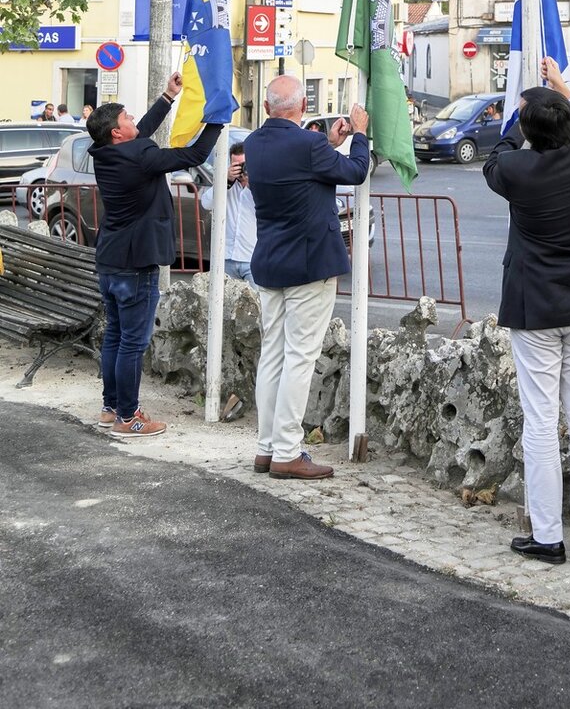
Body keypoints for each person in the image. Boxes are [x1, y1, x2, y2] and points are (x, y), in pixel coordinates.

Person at [483, 56, 570, 565]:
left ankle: (547, 537)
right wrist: (562, 88)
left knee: (541, 421)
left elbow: (495, 157)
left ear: (528, 132)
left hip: (536, 307)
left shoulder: (516, 170)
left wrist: (515, 114)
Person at [245, 74, 370, 480]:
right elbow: (356, 171)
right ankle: (287, 451)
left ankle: (267, 448)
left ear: (267, 108)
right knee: (299, 358)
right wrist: (359, 134)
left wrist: (329, 143)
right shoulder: (308, 145)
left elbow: (301, 163)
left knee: (273, 356)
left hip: (271, 262)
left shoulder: (254, 143)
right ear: (302, 108)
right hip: (309, 265)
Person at [87, 73, 223, 437]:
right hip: (136, 264)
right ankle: (128, 418)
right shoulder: (139, 156)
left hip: (110, 261)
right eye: (126, 117)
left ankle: (111, 408)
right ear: (117, 132)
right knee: (132, 343)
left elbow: (141, 133)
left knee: (115, 336)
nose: (132, 119)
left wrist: (167, 96)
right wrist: (217, 119)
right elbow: (195, 155)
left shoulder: (104, 152)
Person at [199, 144, 255, 283]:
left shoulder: (262, 184)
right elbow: (206, 203)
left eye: (244, 165)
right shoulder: (226, 185)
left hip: (252, 257)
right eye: (236, 165)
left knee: (257, 297)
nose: (241, 170)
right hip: (226, 258)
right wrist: (226, 180)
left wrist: (253, 182)